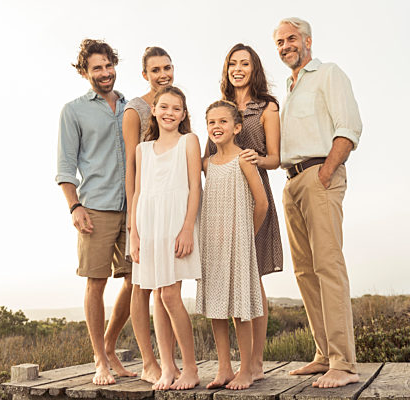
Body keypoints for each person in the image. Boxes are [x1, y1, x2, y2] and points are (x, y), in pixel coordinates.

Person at [273, 18, 363, 388]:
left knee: (328, 266)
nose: (284, 46)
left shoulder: (328, 74)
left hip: (318, 175)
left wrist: (326, 171)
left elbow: (349, 127)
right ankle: (324, 354)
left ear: (308, 41)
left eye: (291, 38)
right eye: (279, 41)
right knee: (304, 272)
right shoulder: (290, 89)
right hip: (291, 182)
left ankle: (343, 362)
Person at [55, 39, 137, 385]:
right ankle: (100, 360)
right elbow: (65, 166)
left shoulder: (133, 106)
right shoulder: (73, 111)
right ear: (85, 73)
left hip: (134, 205)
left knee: (137, 279)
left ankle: (109, 345)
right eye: (97, 68)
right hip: (96, 207)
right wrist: (74, 206)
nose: (105, 73)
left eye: (108, 66)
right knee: (96, 281)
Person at [204, 43, 283, 381]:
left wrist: (252, 158)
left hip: (252, 192)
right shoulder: (219, 108)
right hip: (222, 197)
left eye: (245, 64)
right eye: (232, 63)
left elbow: (275, 159)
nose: (238, 69)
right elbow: (209, 157)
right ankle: (231, 365)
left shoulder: (267, 107)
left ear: (255, 69)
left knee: (254, 280)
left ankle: (255, 363)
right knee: (225, 283)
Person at [129, 86, 202, 390]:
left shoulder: (189, 141)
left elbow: (195, 189)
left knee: (170, 294)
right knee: (157, 295)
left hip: (176, 223)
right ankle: (167, 369)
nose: (170, 113)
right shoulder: (142, 150)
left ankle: (192, 368)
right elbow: (137, 194)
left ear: (184, 114)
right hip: (149, 225)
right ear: (154, 110)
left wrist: (187, 227)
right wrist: (133, 234)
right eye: (164, 107)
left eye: (177, 108)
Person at [197, 100, 269, 390]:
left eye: (223, 122)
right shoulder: (207, 165)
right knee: (216, 306)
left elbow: (261, 203)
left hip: (239, 243)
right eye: (211, 122)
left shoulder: (244, 159)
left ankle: (247, 370)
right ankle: (224, 367)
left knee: (240, 308)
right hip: (212, 241)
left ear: (237, 127)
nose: (217, 127)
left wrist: (246, 236)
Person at [122, 46, 178, 384]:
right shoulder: (136, 110)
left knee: (167, 287)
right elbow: (131, 165)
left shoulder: (174, 106)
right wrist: (133, 216)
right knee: (141, 286)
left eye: (167, 68)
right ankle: (148, 362)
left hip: (168, 210)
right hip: (142, 206)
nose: (163, 74)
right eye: (156, 70)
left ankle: (169, 362)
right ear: (145, 74)